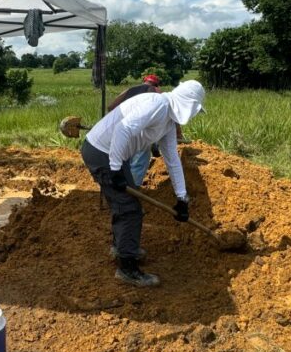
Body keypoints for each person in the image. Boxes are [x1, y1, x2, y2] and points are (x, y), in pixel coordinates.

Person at [81, 80, 206, 287]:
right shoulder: (158, 105)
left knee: (125, 204)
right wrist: (114, 169)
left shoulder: (168, 120)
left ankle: (121, 247)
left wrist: (181, 198)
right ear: (188, 104)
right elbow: (123, 129)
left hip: (113, 155)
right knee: (129, 208)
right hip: (101, 152)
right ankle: (127, 269)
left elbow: (172, 160)